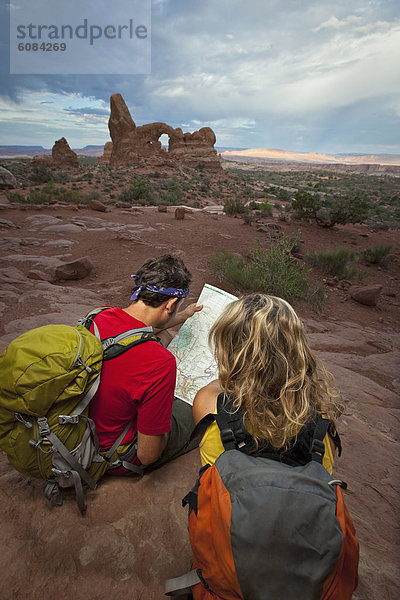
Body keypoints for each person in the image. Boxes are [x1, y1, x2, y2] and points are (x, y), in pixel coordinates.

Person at [193, 293, 342, 472]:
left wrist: (234, 375)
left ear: (230, 350)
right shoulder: (322, 422)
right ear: (297, 350)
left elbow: (220, 385)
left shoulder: (208, 402)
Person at [89, 254, 202, 473]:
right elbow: (147, 455)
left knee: (166, 335)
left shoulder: (99, 316)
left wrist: (185, 315)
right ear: (170, 304)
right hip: (115, 453)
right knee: (195, 404)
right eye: (179, 306)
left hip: (82, 430)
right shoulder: (159, 363)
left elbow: (139, 329)